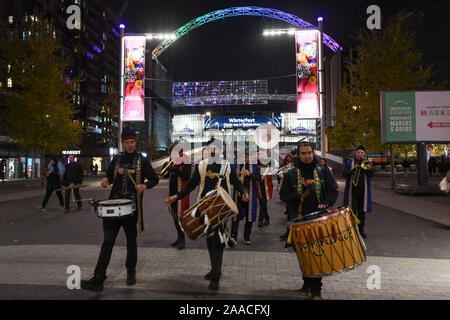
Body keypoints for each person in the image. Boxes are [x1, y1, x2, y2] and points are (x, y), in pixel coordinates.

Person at [81, 127, 159, 292]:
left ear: (135, 143)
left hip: (131, 209)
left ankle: (131, 271)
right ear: (123, 143)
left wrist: (145, 185)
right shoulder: (116, 159)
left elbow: (154, 178)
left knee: (131, 242)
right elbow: (109, 177)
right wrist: (105, 181)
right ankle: (98, 278)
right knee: (107, 242)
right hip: (113, 207)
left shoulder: (141, 160)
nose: (130, 145)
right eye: (127, 142)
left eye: (132, 142)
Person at [165, 140, 249, 291]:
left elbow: (237, 183)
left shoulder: (226, 166)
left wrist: (244, 192)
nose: (213, 150)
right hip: (203, 210)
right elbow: (190, 186)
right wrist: (176, 197)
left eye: (216, 148)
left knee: (218, 241)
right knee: (210, 241)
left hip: (220, 210)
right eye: (211, 148)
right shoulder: (201, 165)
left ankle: (216, 276)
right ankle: (214, 269)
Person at [280, 142, 338, 300]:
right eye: (303, 153)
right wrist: (298, 197)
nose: (307, 156)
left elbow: (333, 191)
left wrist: (327, 202)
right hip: (298, 221)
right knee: (303, 255)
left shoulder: (323, 170)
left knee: (316, 254)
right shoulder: (291, 173)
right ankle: (306, 284)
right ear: (299, 154)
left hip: (318, 220)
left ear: (313, 153)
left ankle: (316, 290)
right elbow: (283, 195)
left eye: (309, 153)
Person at [343, 145, 374, 239]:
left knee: (362, 213)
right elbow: (344, 174)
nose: (360, 154)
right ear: (355, 153)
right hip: (352, 192)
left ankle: (361, 231)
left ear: (364, 154)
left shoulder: (367, 163)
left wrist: (366, 168)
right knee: (352, 211)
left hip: (363, 192)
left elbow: (371, 174)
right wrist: (353, 170)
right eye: (358, 152)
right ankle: (352, 230)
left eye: (361, 152)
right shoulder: (349, 162)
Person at [230, 151, 261, 245]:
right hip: (237, 196)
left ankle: (247, 237)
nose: (245, 159)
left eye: (247, 157)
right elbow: (230, 179)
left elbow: (259, 179)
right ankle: (233, 237)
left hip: (250, 196)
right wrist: (236, 179)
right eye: (243, 156)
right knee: (235, 217)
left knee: (249, 217)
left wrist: (250, 174)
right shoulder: (235, 166)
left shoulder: (255, 165)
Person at [167, 144, 191, 250]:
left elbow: (187, 175)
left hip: (181, 193)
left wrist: (176, 170)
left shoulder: (186, 159)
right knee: (174, 216)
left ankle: (182, 239)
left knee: (180, 216)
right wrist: (167, 169)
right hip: (172, 192)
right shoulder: (172, 160)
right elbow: (168, 176)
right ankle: (179, 237)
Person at [256, 153, 273, 228]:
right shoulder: (258, 167)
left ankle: (260, 220)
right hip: (259, 187)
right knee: (262, 204)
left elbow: (269, 180)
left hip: (266, 189)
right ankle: (266, 218)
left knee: (263, 203)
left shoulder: (268, 168)